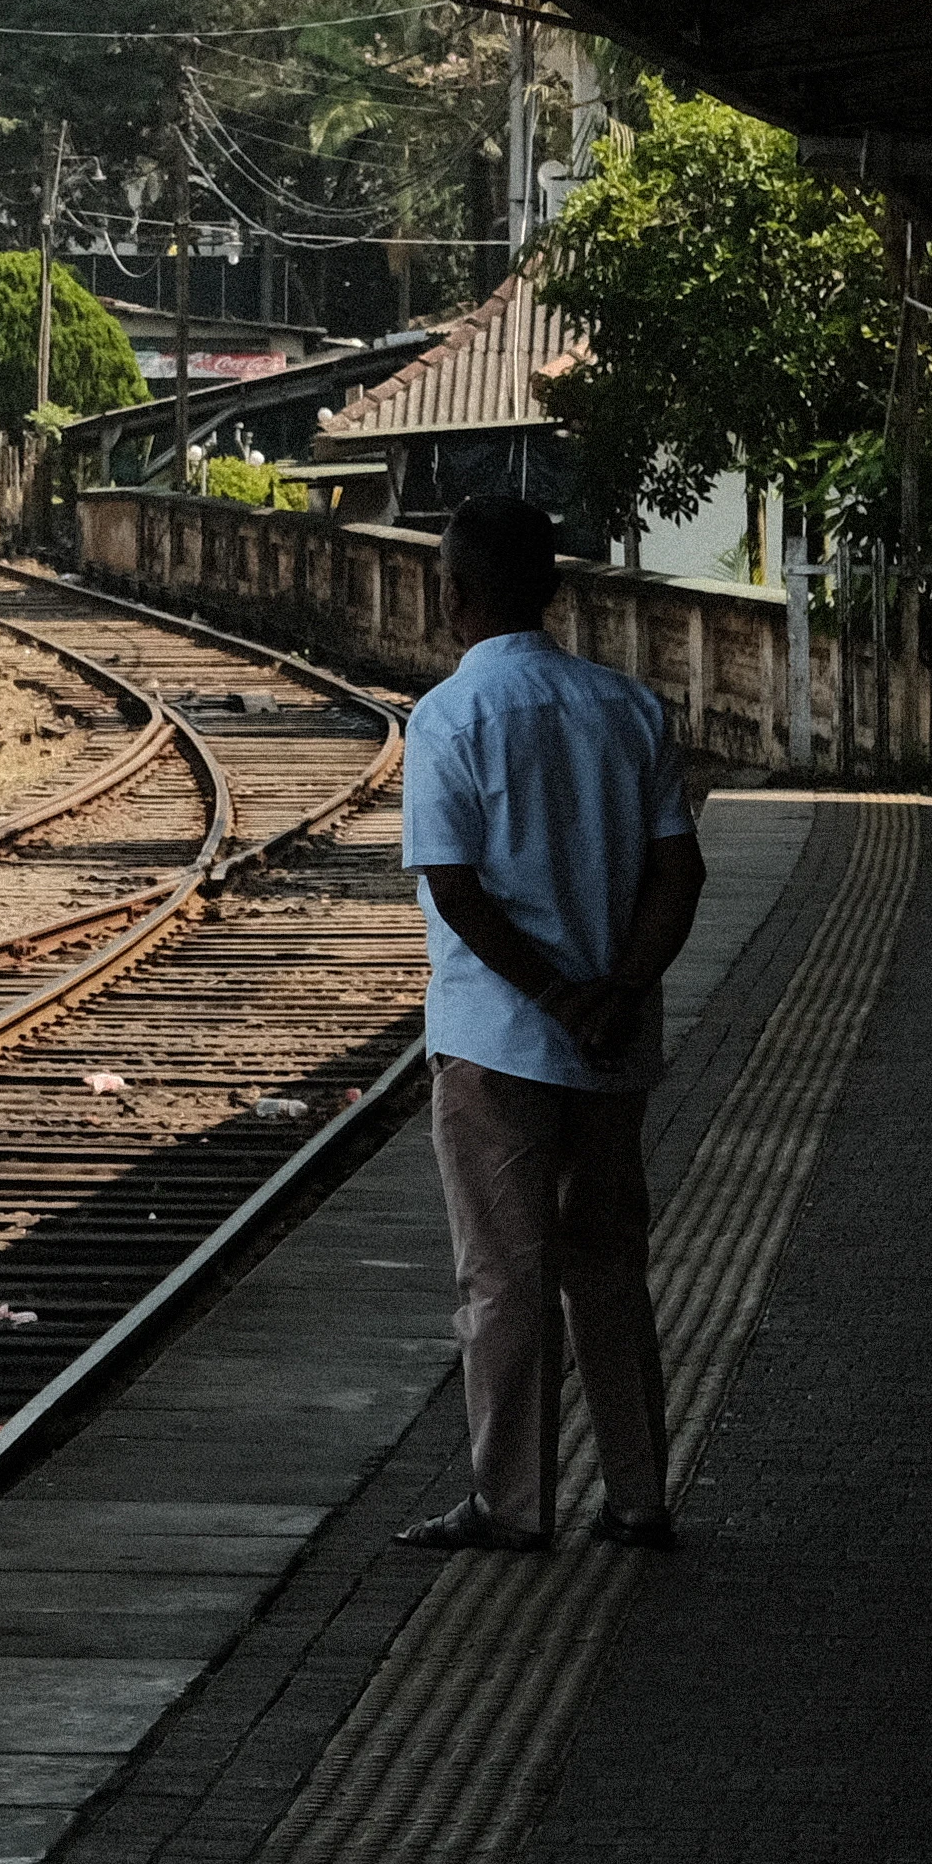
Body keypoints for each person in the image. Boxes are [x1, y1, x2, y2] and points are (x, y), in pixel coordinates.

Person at [393, 496, 703, 1557]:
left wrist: (553, 993)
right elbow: (679, 872)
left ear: (454, 593)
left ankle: (513, 1503)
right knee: (609, 1263)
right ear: (554, 590)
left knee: (503, 1269)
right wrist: (616, 986)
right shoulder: (632, 709)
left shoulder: (446, 718)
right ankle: (640, 1492)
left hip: (494, 1040)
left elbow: (455, 885)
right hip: (613, 1048)